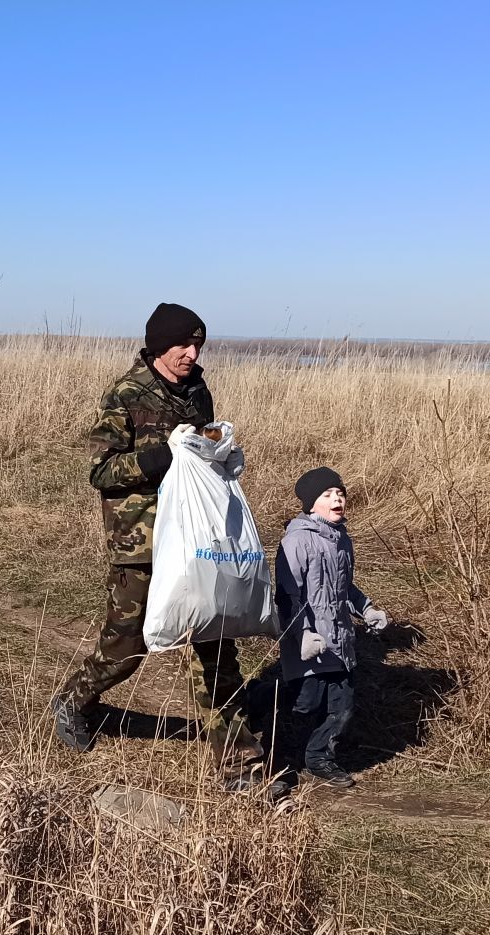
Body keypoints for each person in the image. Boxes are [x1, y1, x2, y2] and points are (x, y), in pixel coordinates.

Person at [50, 302, 269, 789]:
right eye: (184, 345)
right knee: (126, 647)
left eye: (199, 345)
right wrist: (159, 456)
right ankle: (73, 701)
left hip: (194, 540)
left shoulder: (198, 392)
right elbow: (100, 471)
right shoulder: (127, 393)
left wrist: (220, 457)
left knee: (213, 644)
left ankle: (240, 764)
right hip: (141, 541)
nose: (192, 354)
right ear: (157, 345)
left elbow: (201, 460)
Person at [273, 467, 390, 789]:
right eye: (327, 494)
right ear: (311, 504)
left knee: (342, 707)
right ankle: (281, 759)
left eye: (340, 493)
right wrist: (302, 635)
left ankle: (320, 759)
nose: (337, 498)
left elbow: (345, 588)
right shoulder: (296, 540)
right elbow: (286, 595)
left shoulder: (342, 540)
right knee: (305, 705)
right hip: (310, 642)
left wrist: (367, 610)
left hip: (341, 641)